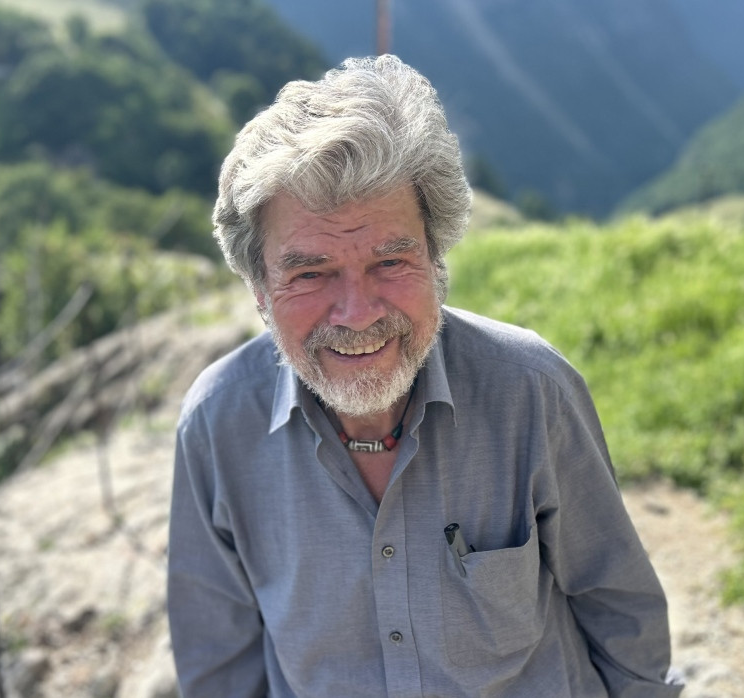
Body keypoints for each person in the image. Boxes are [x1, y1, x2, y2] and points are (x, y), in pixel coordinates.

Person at [167, 55, 683, 697]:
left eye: (390, 260)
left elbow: (621, 610)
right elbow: (219, 666)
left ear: (437, 262)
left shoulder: (530, 390)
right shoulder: (218, 425)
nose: (357, 314)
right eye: (310, 273)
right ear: (259, 289)